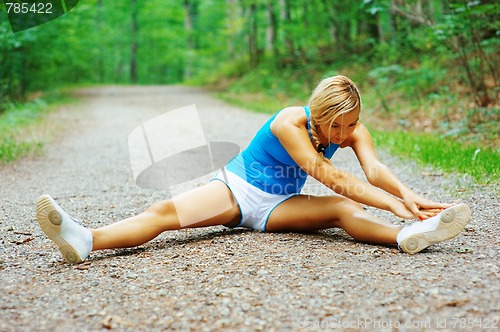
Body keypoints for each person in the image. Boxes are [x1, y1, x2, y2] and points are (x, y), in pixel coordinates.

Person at [35, 75, 471, 264]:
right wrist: (394, 204)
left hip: (280, 205)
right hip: (238, 190)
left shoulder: (353, 128)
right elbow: (329, 174)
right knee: (166, 213)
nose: (344, 133)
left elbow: (372, 171)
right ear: (315, 116)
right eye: (335, 126)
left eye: (352, 123)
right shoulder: (289, 122)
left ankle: (409, 237)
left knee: (339, 210)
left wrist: (406, 199)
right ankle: (85, 238)